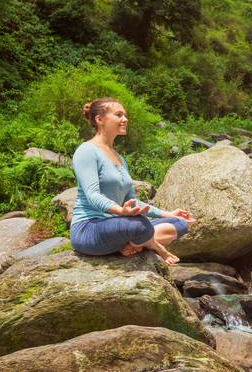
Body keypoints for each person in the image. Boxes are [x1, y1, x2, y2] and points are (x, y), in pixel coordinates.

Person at [69, 97, 195, 265]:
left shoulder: (120, 159)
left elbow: (133, 202)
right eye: (119, 115)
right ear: (100, 120)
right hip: (89, 228)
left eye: (125, 115)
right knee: (140, 225)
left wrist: (168, 213)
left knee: (179, 224)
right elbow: (92, 195)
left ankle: (131, 243)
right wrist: (122, 211)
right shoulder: (86, 151)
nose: (125, 119)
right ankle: (152, 244)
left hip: (118, 226)